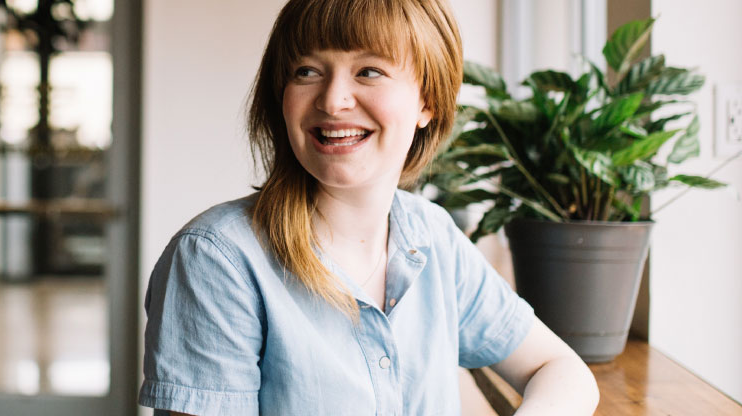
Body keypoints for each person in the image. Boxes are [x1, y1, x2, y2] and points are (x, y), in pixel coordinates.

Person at [138, 0, 600, 414]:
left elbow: (559, 367)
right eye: (307, 71)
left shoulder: (431, 234)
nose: (333, 100)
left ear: (428, 101)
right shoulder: (217, 259)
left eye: (369, 71)